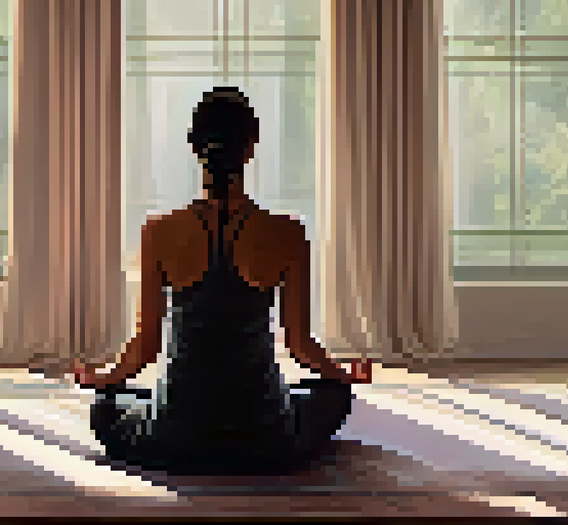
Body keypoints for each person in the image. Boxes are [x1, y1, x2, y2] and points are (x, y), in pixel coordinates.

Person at [75, 86, 372, 475]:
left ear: (194, 146)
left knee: (106, 406)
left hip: (176, 440)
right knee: (332, 394)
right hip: (266, 441)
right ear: (250, 148)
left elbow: (145, 349)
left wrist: (102, 379)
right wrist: (344, 374)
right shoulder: (287, 233)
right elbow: (300, 348)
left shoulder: (159, 232)